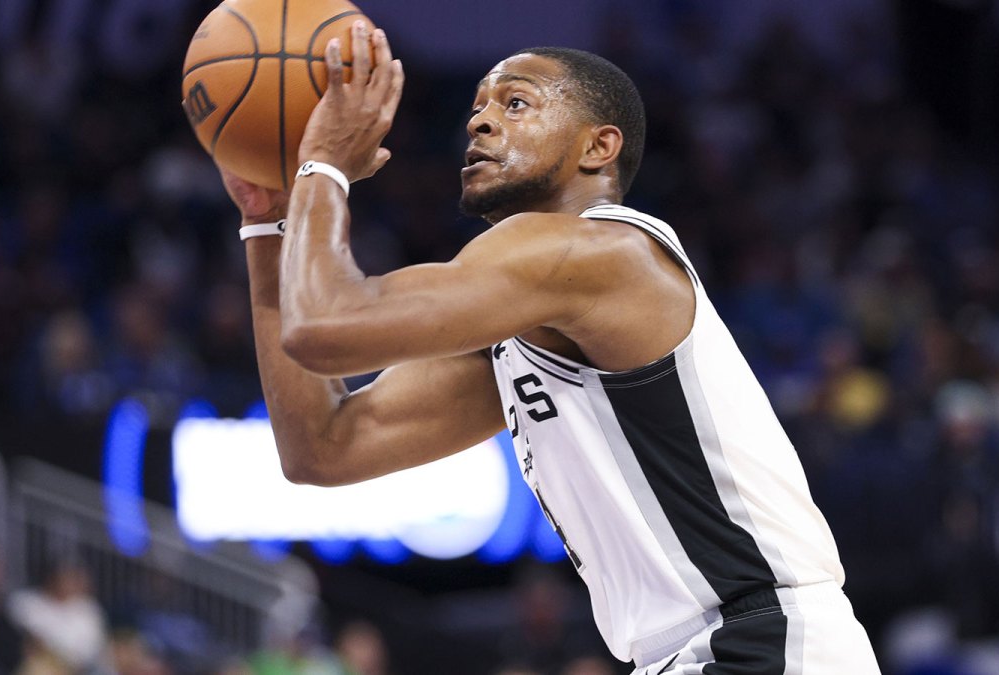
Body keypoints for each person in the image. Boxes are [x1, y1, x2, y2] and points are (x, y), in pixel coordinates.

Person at [219, 21, 880, 674]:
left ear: (599, 147)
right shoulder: (524, 319)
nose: (479, 122)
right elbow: (322, 447)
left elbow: (322, 326)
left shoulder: (603, 251)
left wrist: (324, 163)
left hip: (766, 643)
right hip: (700, 651)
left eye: (516, 103)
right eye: (476, 107)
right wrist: (267, 221)